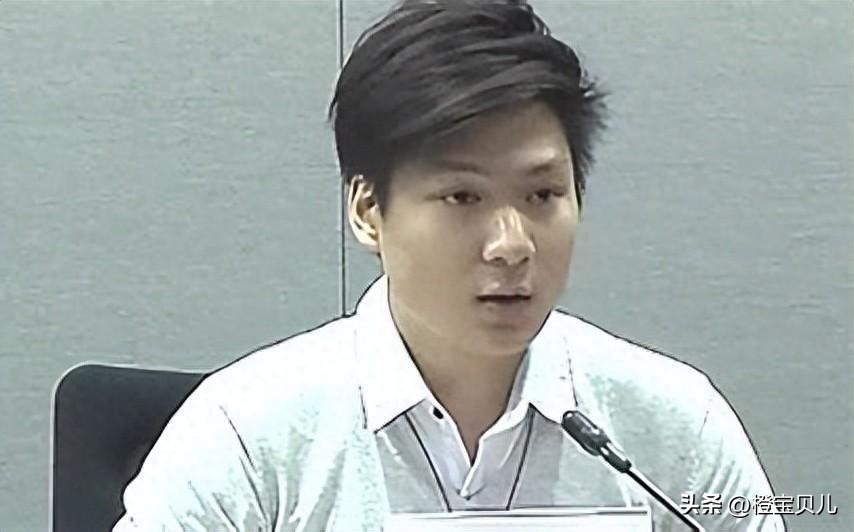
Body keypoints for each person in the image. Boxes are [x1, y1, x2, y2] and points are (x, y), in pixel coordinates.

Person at [114, 1, 785, 530]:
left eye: (542, 196)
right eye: (463, 197)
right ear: (367, 210)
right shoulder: (248, 435)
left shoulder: (671, 428)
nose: (511, 244)